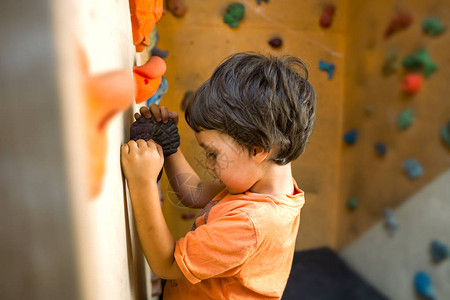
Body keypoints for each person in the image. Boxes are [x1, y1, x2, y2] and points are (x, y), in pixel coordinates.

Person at [120, 52, 316, 299]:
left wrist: (142, 183)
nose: (208, 165)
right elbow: (195, 193)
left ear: (257, 149)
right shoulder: (257, 186)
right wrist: (169, 147)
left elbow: (166, 264)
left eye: (212, 153)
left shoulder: (250, 223)